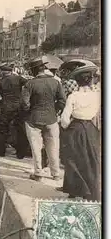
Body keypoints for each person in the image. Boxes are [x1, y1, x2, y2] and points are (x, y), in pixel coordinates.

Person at [57, 71, 101, 201]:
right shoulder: (97, 96)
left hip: (75, 128)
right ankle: (91, 190)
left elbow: (65, 117)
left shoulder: (73, 96)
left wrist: (65, 126)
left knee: (73, 159)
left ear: (77, 82)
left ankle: (74, 189)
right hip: (91, 128)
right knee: (91, 159)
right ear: (90, 81)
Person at [21, 57, 66, 181]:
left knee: (36, 148)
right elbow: (62, 101)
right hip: (51, 118)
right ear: (44, 68)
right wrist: (55, 110)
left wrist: (29, 112)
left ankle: (38, 173)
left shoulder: (29, 84)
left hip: (34, 118)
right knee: (53, 147)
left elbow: (25, 104)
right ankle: (56, 174)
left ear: (34, 71)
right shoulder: (56, 82)